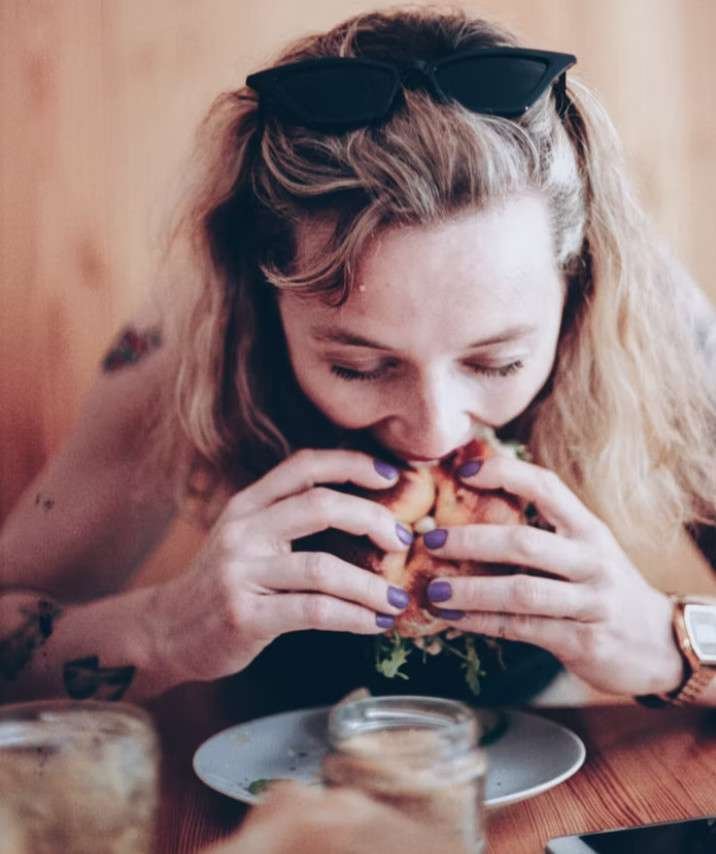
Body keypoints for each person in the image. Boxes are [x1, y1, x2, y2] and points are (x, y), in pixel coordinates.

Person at [1, 7, 715, 710]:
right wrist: (162, 630)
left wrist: (662, 641)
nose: (436, 430)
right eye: (360, 366)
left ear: (577, 290)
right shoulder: (197, 334)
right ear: (262, 297)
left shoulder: (642, 319)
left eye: (497, 363)